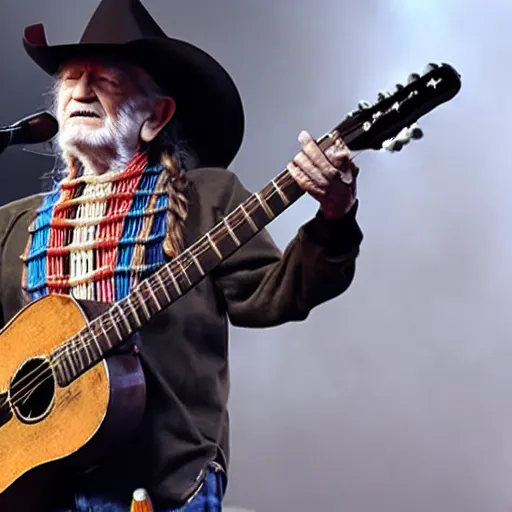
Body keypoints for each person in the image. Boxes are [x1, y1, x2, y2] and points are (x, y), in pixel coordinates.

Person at [0, 0, 363, 510]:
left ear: (156, 115)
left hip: (166, 484)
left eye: (107, 79)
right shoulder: (15, 224)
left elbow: (274, 297)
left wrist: (334, 219)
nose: (80, 91)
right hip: (36, 488)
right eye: (71, 78)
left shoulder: (206, 198)